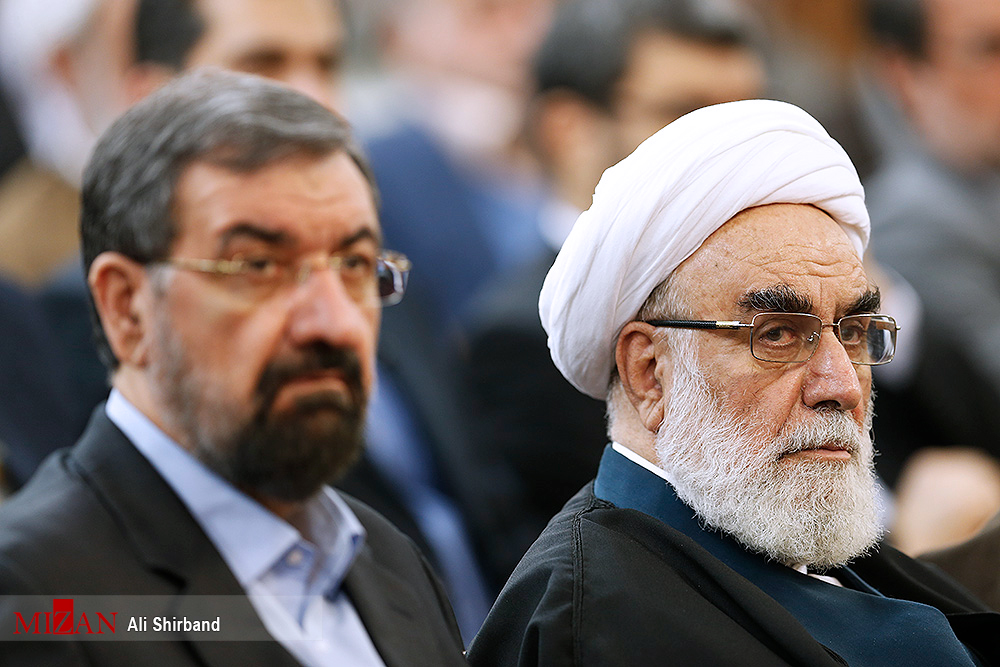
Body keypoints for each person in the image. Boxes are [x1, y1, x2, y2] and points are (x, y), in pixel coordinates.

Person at [467, 99, 1000, 666]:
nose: (842, 386)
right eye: (777, 334)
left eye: (852, 332)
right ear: (650, 373)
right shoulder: (596, 627)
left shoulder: (796, 546)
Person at [0, 70, 466, 666]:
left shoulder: (388, 560)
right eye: (258, 266)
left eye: (353, 264)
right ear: (127, 309)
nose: (332, 323)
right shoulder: (39, 599)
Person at [461, 0, 765, 583]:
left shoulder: (804, 273)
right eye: (688, 115)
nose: (734, 152)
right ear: (568, 128)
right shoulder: (525, 335)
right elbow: (613, 568)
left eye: (748, 117)